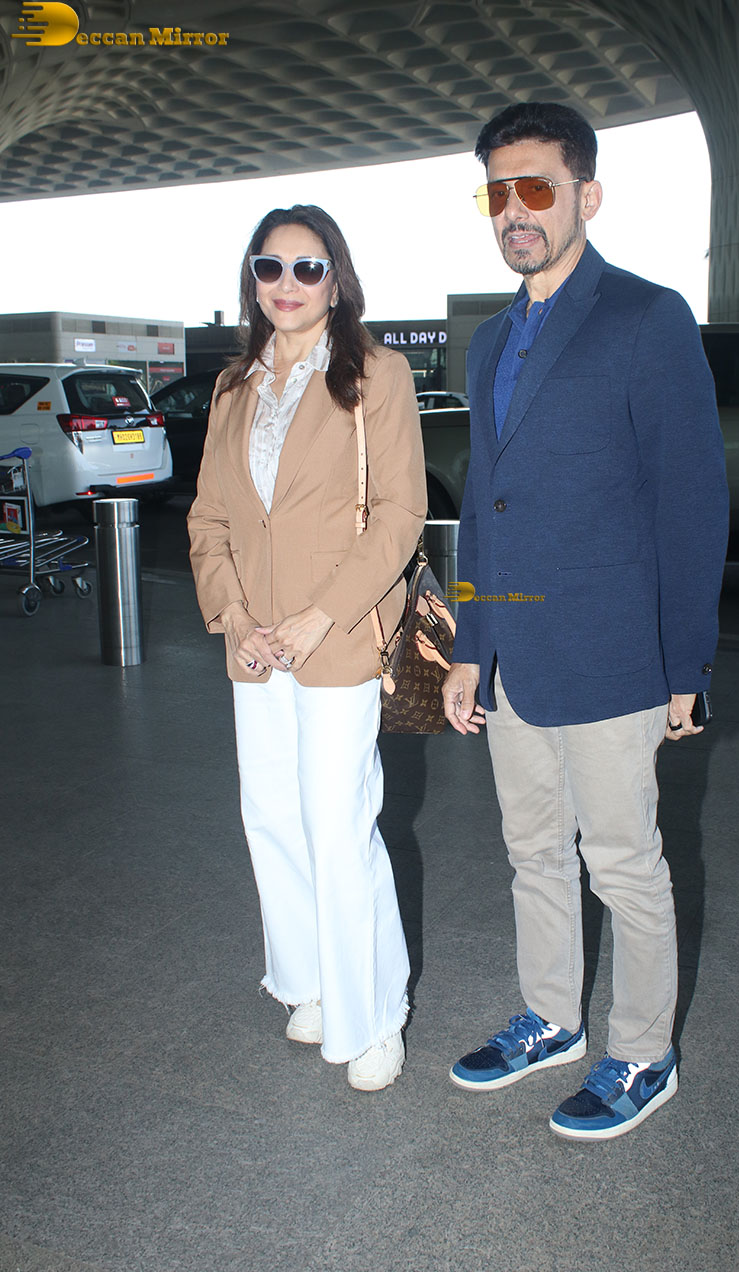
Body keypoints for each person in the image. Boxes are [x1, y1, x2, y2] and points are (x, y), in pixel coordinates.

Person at [442, 103, 729, 1139]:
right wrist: (468, 648)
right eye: (497, 191)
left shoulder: (645, 318)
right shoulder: (488, 340)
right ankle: (551, 1019)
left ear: (585, 196)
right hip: (513, 652)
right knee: (532, 850)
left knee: (622, 863)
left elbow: (690, 500)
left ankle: (644, 1053)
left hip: (611, 653)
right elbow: (483, 506)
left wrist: (686, 664)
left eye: (536, 187)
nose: (513, 210)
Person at [188, 205, 426, 1091]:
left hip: (336, 636)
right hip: (254, 643)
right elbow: (210, 518)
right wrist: (233, 616)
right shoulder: (232, 387)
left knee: (337, 822)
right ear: (251, 279)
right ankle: (309, 981)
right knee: (272, 816)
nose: (286, 284)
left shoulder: (375, 374)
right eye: (270, 266)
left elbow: (400, 512)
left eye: (307, 267)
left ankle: (374, 1015)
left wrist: (321, 615)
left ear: (336, 280)